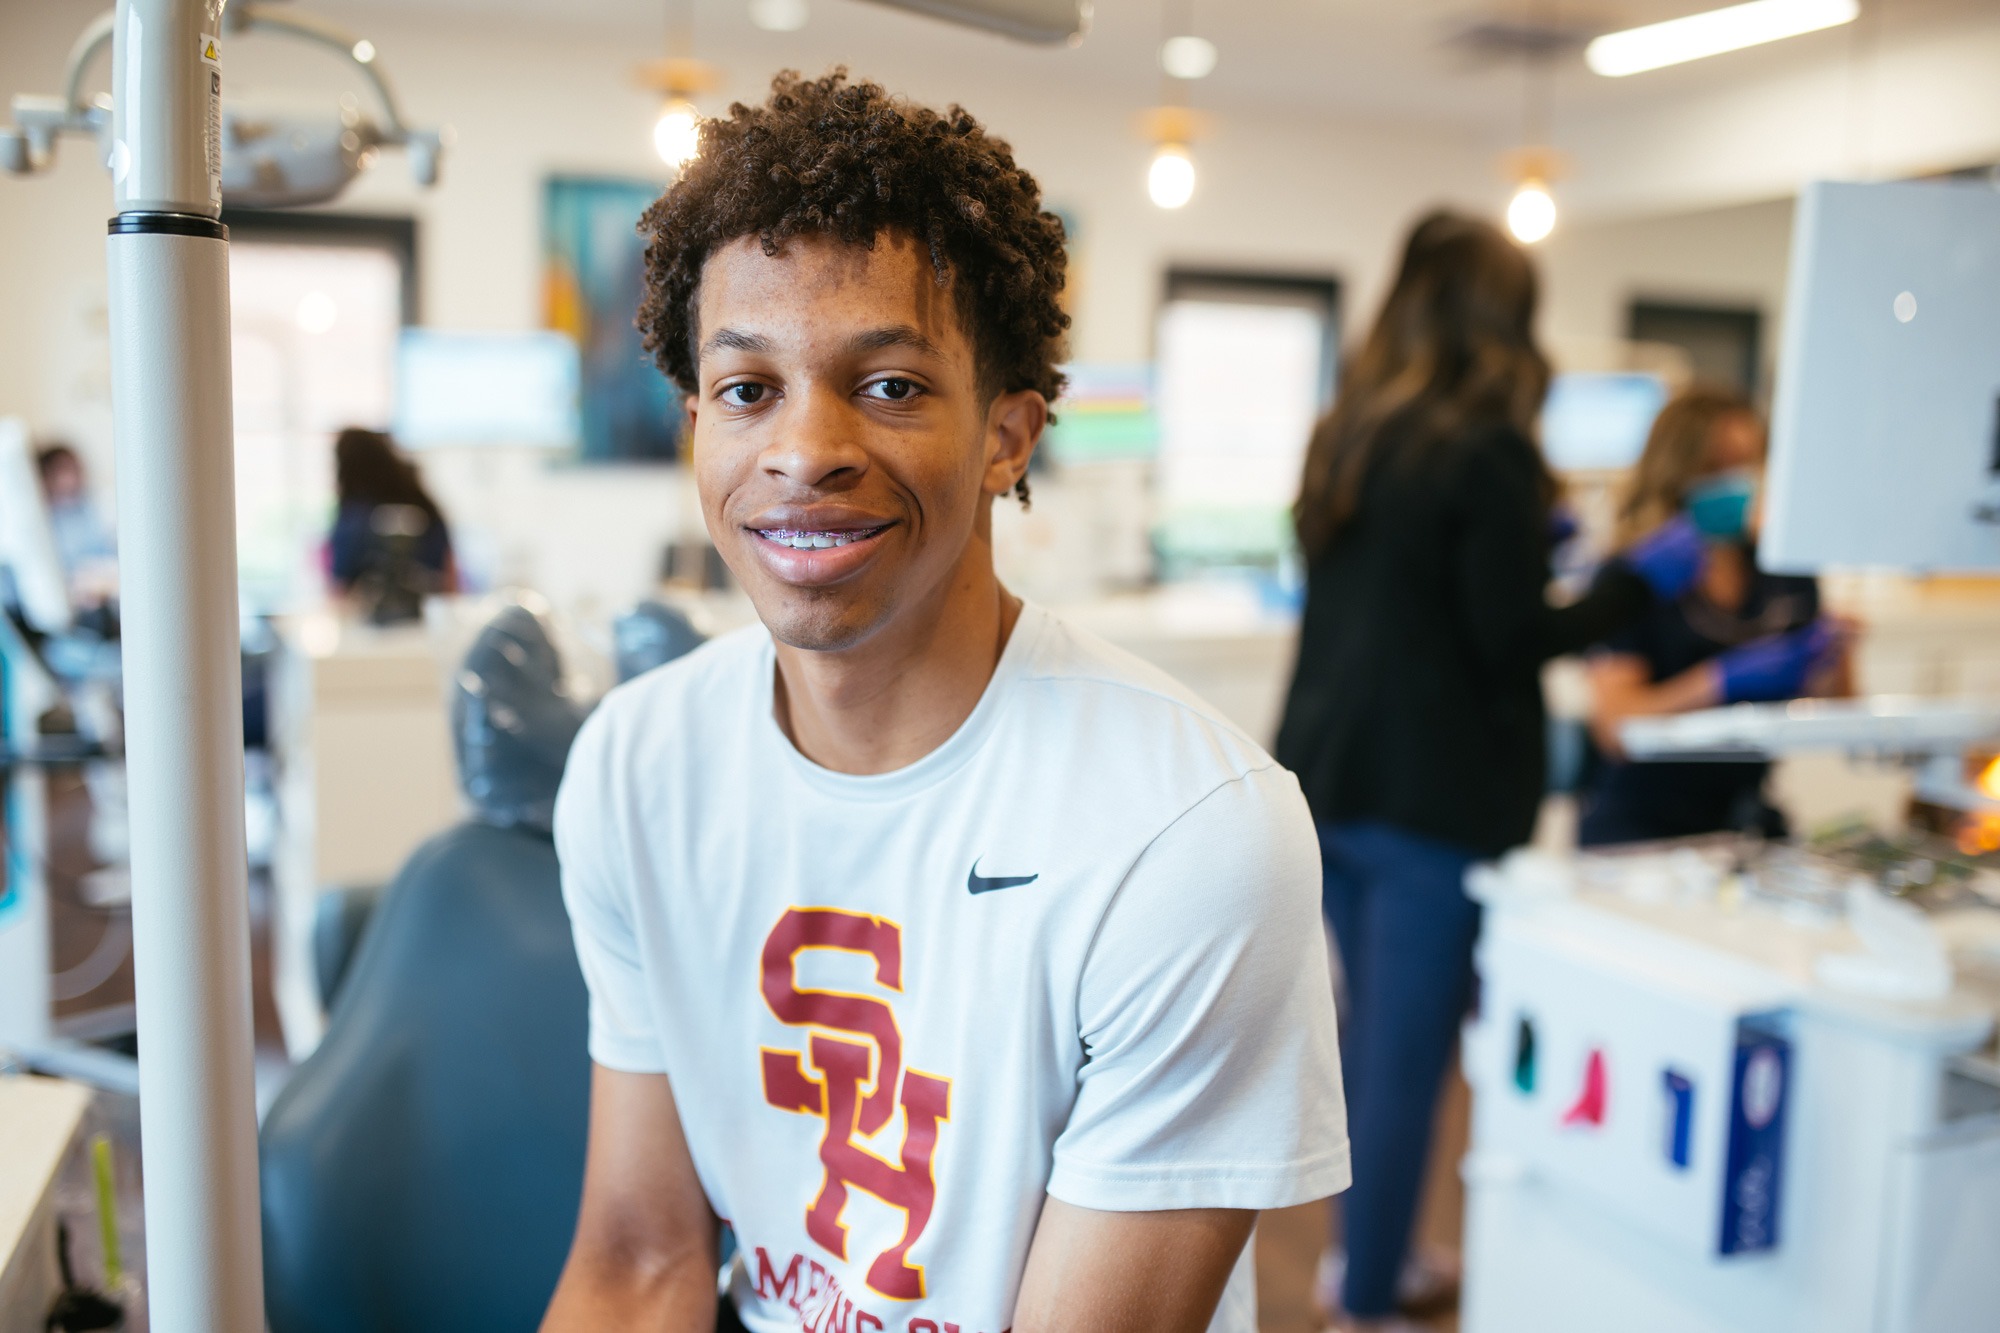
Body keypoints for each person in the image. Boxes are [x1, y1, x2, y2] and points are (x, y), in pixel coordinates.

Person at [541, 71, 1350, 1333]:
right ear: (695, 424)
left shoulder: (1191, 835)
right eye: (748, 390)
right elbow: (642, 1261)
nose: (804, 451)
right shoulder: (635, 764)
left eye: (890, 386)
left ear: (1006, 436)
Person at [1273, 212, 1703, 1333]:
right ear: (1498, 320)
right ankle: (1366, 1304)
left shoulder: (1348, 432)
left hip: (1327, 781)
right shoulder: (1489, 445)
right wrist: (1631, 581)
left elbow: (1406, 602)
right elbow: (1510, 638)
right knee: (1407, 1060)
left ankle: (1364, 1258)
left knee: (1371, 1039)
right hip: (1433, 801)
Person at [1579, 387, 1848, 846]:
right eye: (1718, 466)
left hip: (1742, 823)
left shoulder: (1784, 571)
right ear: (1678, 471)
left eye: (1750, 462)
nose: (1738, 480)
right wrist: (1718, 682)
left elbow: (1836, 708)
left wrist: (1834, 654)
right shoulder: (1637, 575)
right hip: (1641, 828)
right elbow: (1616, 729)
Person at [327, 427, 456, 599]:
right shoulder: (421, 503)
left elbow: (340, 585)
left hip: (367, 619)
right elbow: (449, 573)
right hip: (430, 611)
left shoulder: (355, 515)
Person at [35, 443, 118, 608]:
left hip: (104, 591)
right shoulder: (43, 521)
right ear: (47, 477)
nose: (75, 476)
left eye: (76, 467)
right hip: (70, 599)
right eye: (65, 470)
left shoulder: (97, 504)